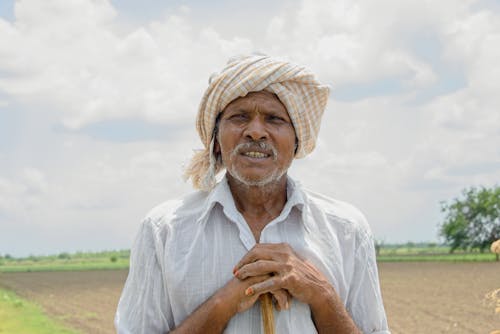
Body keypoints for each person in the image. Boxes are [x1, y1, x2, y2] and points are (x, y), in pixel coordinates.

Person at [115, 54, 390, 334]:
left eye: (274, 119)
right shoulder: (165, 231)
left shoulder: (345, 229)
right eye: (240, 117)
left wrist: (321, 294)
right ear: (216, 141)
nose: (256, 132)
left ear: (297, 141)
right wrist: (227, 300)